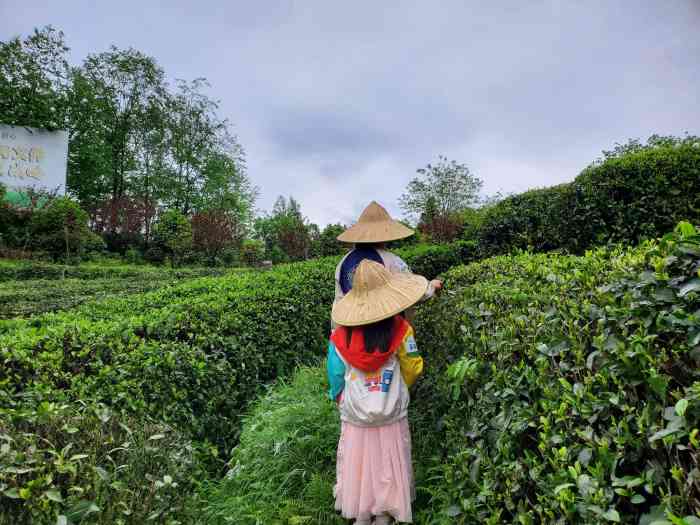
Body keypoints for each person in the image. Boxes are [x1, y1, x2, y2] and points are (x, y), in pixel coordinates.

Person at [327, 259, 427, 524]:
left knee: (359, 459)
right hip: (391, 408)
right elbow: (413, 366)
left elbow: (335, 374)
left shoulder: (340, 335)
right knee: (388, 458)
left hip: (356, 410)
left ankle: (361, 513)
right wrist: (400, 388)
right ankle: (385, 513)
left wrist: (340, 398)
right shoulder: (402, 329)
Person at [332, 201, 442, 328]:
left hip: (350, 329)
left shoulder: (343, 263)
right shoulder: (392, 260)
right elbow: (412, 289)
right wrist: (431, 287)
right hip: (384, 329)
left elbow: (339, 299)